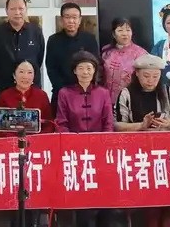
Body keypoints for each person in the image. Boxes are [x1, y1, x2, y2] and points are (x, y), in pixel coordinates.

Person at [115, 54, 170, 227]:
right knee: (149, 206)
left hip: (166, 152)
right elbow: (117, 125)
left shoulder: (168, 91)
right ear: (137, 74)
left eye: (155, 76)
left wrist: (169, 123)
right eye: (146, 76)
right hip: (138, 154)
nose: (151, 81)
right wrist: (141, 125)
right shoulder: (126, 93)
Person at [55, 51, 113, 227]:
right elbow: (61, 122)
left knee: (101, 194)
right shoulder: (65, 93)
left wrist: (103, 144)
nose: (85, 72)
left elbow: (108, 122)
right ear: (74, 71)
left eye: (89, 68)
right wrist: (72, 143)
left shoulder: (103, 93)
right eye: (81, 68)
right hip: (75, 152)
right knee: (80, 196)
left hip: (99, 151)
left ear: (95, 70)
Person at [0, 0, 45, 99]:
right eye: (13, 9)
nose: (17, 12)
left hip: (31, 88)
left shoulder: (36, 31)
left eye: (21, 8)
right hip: (4, 87)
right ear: (6, 11)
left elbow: (39, 59)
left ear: (26, 9)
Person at [46, 2, 99, 108]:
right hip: (61, 92)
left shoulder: (89, 39)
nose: (71, 21)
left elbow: (95, 65)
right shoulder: (53, 40)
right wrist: (64, 90)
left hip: (85, 91)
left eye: (74, 17)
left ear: (80, 20)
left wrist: (84, 87)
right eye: (67, 17)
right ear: (62, 20)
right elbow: (51, 68)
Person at [0, 60, 54, 136]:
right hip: (10, 140)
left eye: (30, 72)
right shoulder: (4, 96)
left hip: (37, 140)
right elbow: (0, 128)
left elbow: (49, 125)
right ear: (14, 75)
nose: (25, 76)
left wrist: (36, 139)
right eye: (21, 72)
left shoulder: (42, 95)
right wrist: (15, 139)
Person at [100, 17, 148, 104]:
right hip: (105, 99)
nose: (125, 34)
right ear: (114, 34)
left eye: (128, 30)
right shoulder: (106, 51)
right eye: (120, 30)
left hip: (130, 99)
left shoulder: (141, 53)